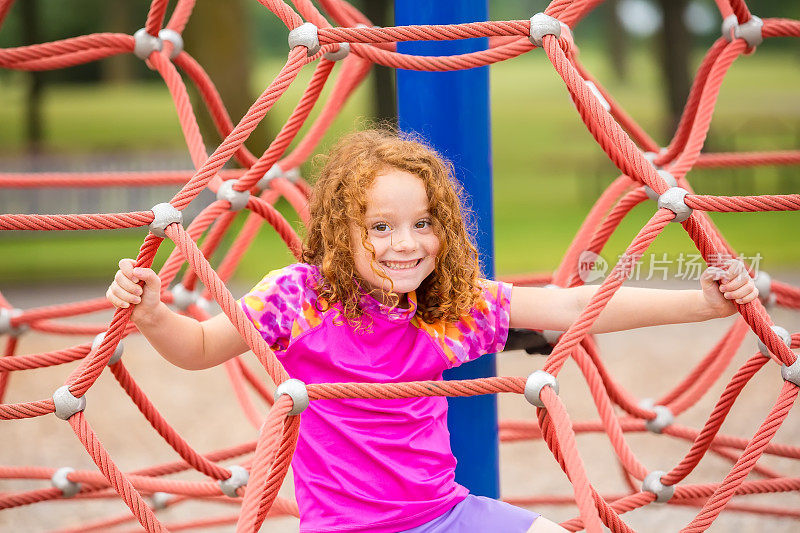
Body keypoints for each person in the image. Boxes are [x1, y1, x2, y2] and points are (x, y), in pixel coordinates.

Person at [106, 129, 759, 533]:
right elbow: (196, 348)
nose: (405, 243)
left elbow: (570, 306)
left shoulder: (445, 306)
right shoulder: (297, 298)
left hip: (446, 515)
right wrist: (155, 314)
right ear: (341, 231)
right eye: (381, 226)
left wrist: (700, 304)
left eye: (423, 223)